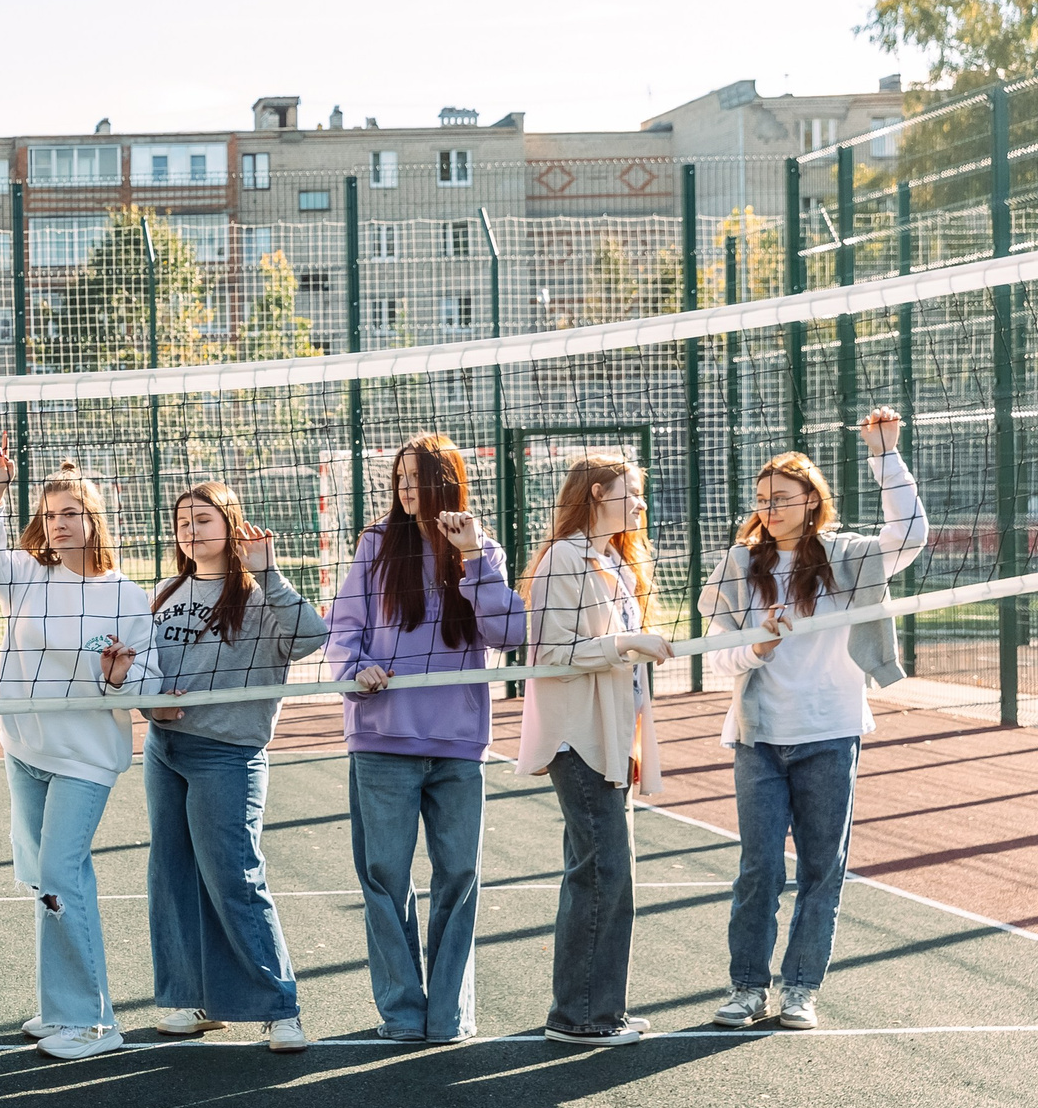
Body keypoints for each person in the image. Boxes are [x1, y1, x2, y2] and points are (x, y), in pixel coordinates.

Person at [699, 409, 923, 1031]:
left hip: (830, 732)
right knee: (760, 870)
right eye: (762, 499)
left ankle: (800, 989)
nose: (769, 508)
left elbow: (909, 533)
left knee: (822, 869)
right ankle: (749, 988)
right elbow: (718, 656)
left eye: (782, 497)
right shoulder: (738, 566)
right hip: (760, 738)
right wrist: (757, 648)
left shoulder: (849, 556)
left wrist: (885, 454)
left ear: (811, 501)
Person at [326, 432, 526, 1045]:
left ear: (447, 483)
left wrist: (473, 559)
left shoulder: (479, 547)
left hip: (458, 744)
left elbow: (509, 633)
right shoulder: (375, 544)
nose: (407, 490)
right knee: (384, 879)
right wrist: (356, 671)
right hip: (382, 739)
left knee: (458, 877)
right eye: (400, 479)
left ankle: (448, 1014)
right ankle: (403, 1012)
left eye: (418, 478)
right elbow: (344, 631)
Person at [0, 445, 154, 1061]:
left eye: (70, 512)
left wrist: (119, 677)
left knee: (60, 876)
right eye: (49, 515)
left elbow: (148, 680)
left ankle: (94, 1022)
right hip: (25, 748)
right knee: (42, 882)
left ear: (93, 518)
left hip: (84, 758)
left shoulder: (126, 595)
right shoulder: (27, 575)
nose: (58, 524)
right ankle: (61, 1008)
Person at [141, 482, 326, 1054]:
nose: (190, 531)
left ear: (231, 525)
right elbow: (147, 670)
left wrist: (269, 571)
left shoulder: (259, 595)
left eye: (202, 519)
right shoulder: (166, 590)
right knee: (173, 876)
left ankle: (280, 1008)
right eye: (182, 522)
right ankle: (199, 999)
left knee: (236, 879)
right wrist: (148, 702)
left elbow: (311, 639)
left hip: (228, 753)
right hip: (165, 749)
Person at [513, 455, 674, 1048]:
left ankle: (593, 1008)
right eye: (632, 493)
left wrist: (630, 645)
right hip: (578, 735)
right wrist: (626, 642)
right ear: (599, 494)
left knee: (602, 872)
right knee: (605, 873)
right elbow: (552, 655)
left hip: (612, 736)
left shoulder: (615, 562)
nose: (641, 505)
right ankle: (582, 1017)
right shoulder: (564, 557)